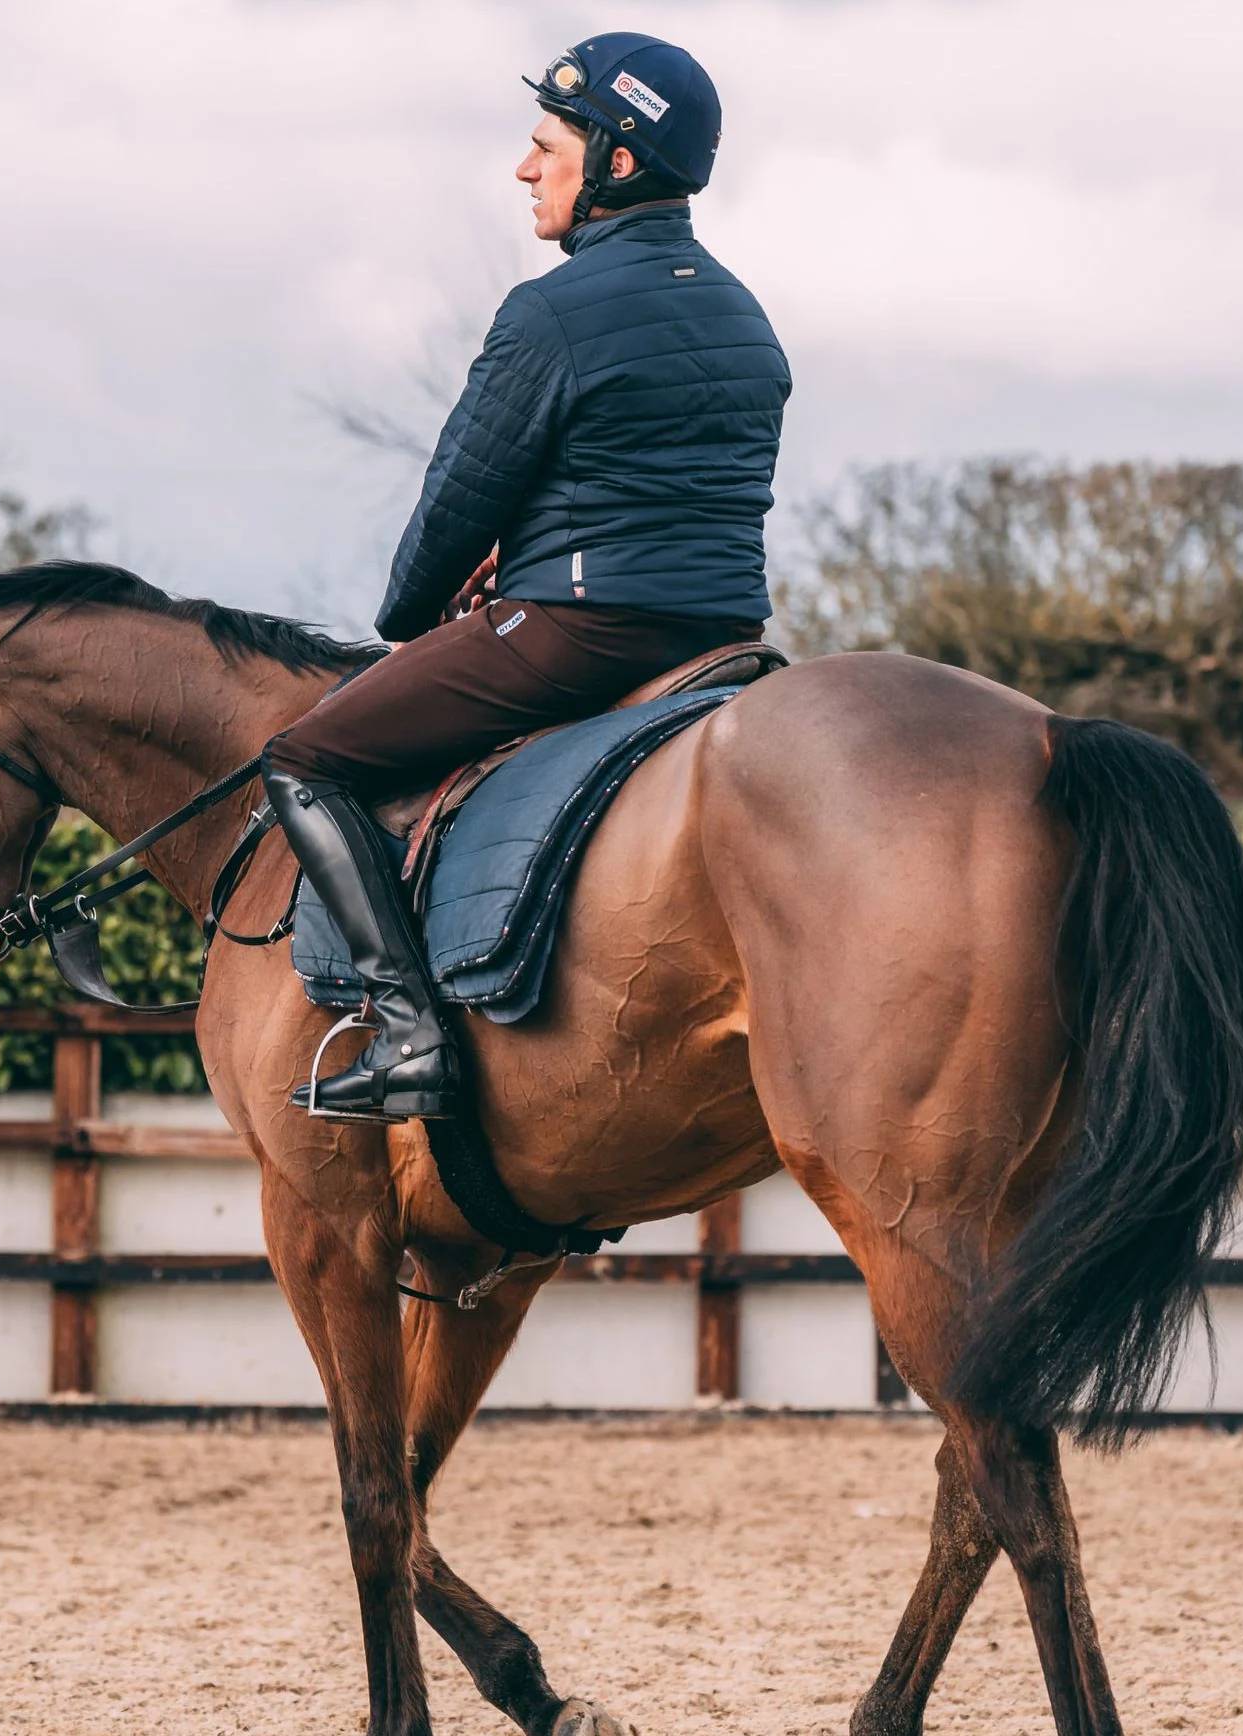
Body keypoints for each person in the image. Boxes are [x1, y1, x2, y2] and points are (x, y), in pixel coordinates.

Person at [260, 31, 792, 1123]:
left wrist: (409, 613)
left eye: (546, 146)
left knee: (303, 754)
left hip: (577, 629)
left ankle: (407, 1032)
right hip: (720, 631)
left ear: (618, 164)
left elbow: (459, 501)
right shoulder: (746, 316)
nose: (524, 168)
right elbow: (652, 489)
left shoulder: (548, 312)